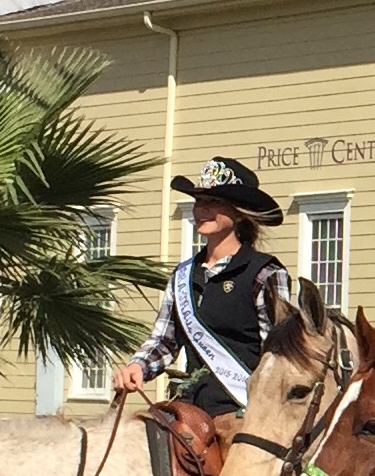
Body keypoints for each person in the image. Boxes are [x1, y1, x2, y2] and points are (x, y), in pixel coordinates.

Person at [111, 157, 290, 422]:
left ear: (239, 212)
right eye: (199, 202)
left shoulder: (265, 274)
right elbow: (165, 340)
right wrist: (138, 365)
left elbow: (280, 354)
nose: (202, 209)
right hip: (188, 409)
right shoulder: (183, 275)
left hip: (244, 413)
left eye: (214, 202)